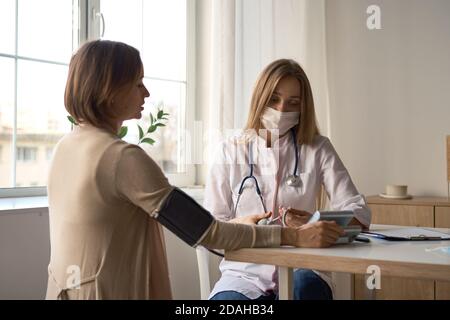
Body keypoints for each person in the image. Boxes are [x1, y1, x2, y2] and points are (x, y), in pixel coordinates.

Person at [45, 41, 345, 300]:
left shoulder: (65, 147)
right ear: (110, 90)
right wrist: (292, 236)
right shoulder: (122, 158)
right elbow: (205, 231)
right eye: (138, 83)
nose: (146, 93)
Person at [204, 59, 371, 300]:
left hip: (305, 265)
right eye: (274, 99)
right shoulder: (230, 150)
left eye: (293, 103)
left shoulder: (318, 148)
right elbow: (210, 227)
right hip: (244, 274)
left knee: (305, 289)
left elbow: (359, 212)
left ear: (304, 108)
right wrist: (242, 225)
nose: (282, 110)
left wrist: (314, 221)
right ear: (260, 98)